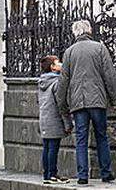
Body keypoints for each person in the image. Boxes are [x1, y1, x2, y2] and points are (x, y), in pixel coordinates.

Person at [57, 19, 116, 185]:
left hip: (78, 103)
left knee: (81, 139)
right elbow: (109, 75)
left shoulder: (69, 52)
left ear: (75, 33)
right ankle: (106, 173)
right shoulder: (99, 48)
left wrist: (63, 106)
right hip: (98, 101)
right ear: (89, 31)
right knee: (101, 137)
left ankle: (83, 175)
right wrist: (114, 98)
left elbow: (63, 82)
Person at [38, 54, 73, 184]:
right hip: (54, 119)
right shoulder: (56, 82)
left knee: (47, 147)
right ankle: (52, 175)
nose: (61, 65)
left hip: (44, 119)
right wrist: (68, 123)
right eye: (58, 63)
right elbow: (61, 104)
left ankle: (47, 175)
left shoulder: (42, 81)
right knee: (53, 148)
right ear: (52, 67)